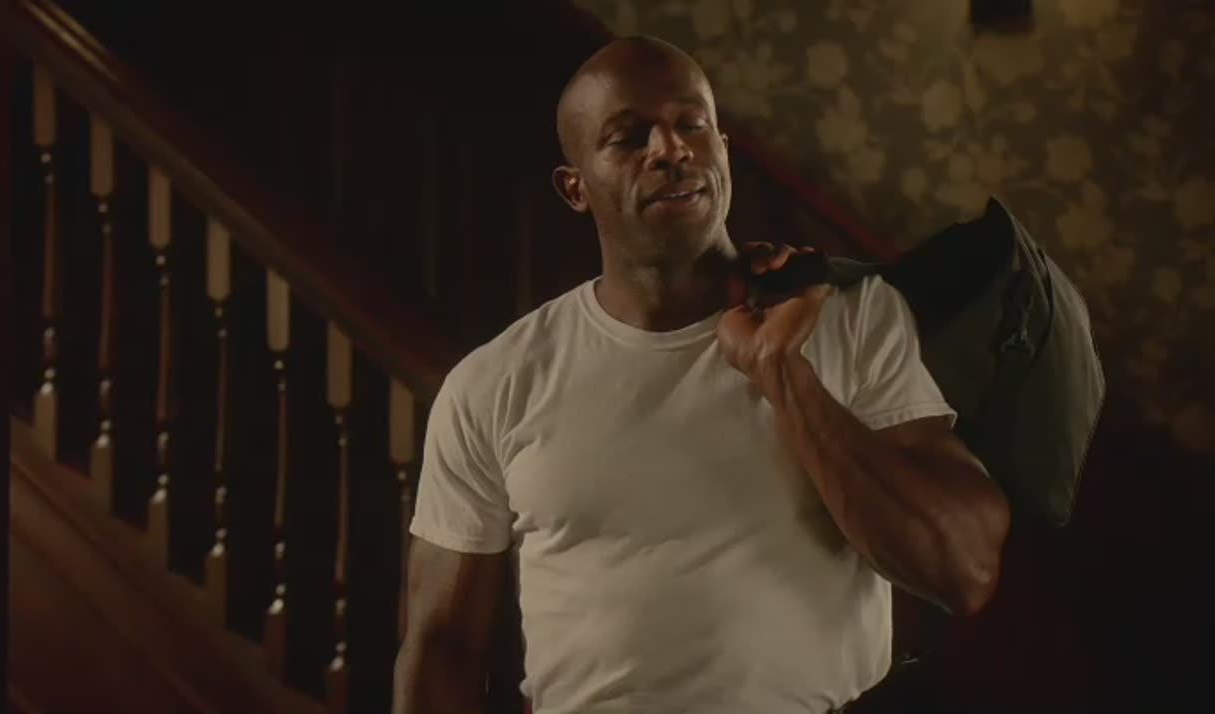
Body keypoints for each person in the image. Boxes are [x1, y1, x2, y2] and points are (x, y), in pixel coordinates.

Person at [392, 35, 1011, 714]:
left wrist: (782, 371)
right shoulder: (492, 384)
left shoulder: (853, 319)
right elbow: (441, 645)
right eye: (628, 138)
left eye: (691, 125)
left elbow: (965, 569)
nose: (670, 149)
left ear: (722, 148)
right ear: (575, 188)